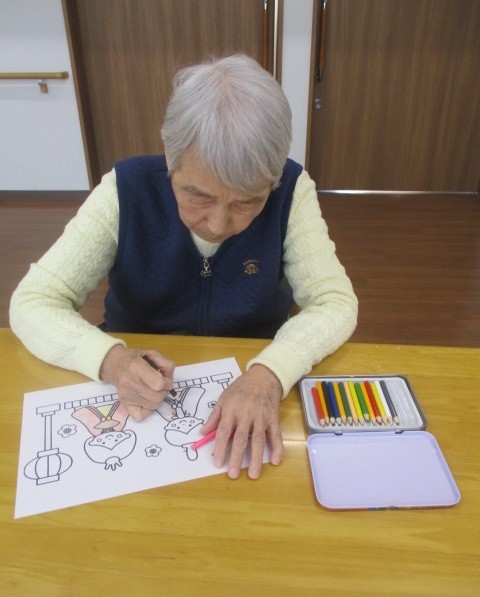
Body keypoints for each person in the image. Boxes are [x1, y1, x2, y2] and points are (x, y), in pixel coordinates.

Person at [10, 54, 357, 480]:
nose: (218, 225)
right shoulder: (126, 188)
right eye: (199, 196)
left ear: (273, 181)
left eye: (247, 202)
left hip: (253, 391)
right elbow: (34, 301)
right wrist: (110, 360)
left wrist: (272, 372)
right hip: (138, 402)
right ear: (170, 156)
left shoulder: (292, 190)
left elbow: (334, 301)